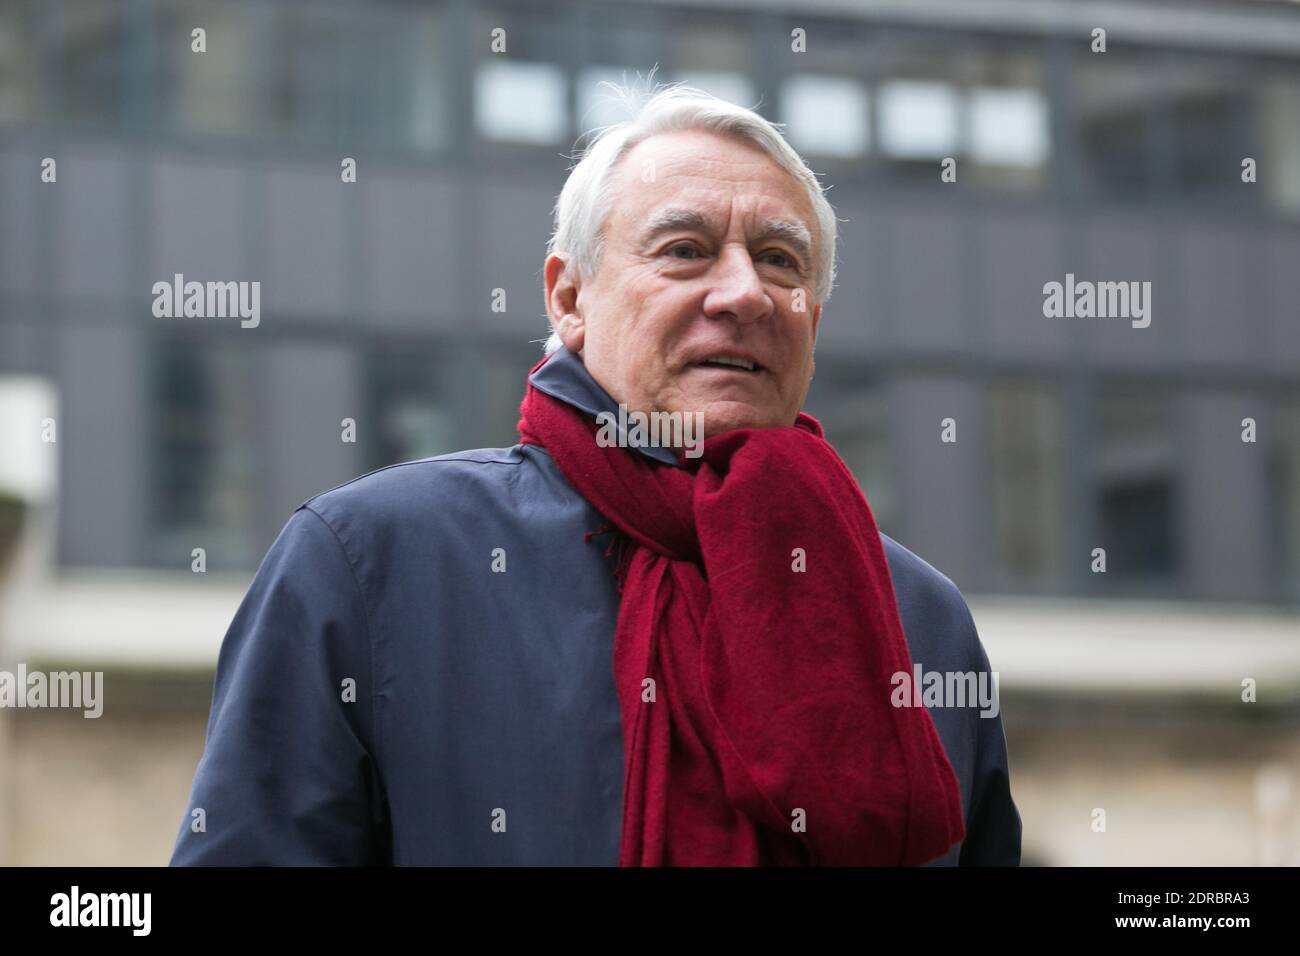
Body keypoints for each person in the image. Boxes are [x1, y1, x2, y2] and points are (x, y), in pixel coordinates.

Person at [170, 80, 1021, 866]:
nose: (744, 293)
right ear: (569, 300)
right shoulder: (367, 561)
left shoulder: (919, 619)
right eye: (685, 249)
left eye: (780, 261)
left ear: (813, 317)